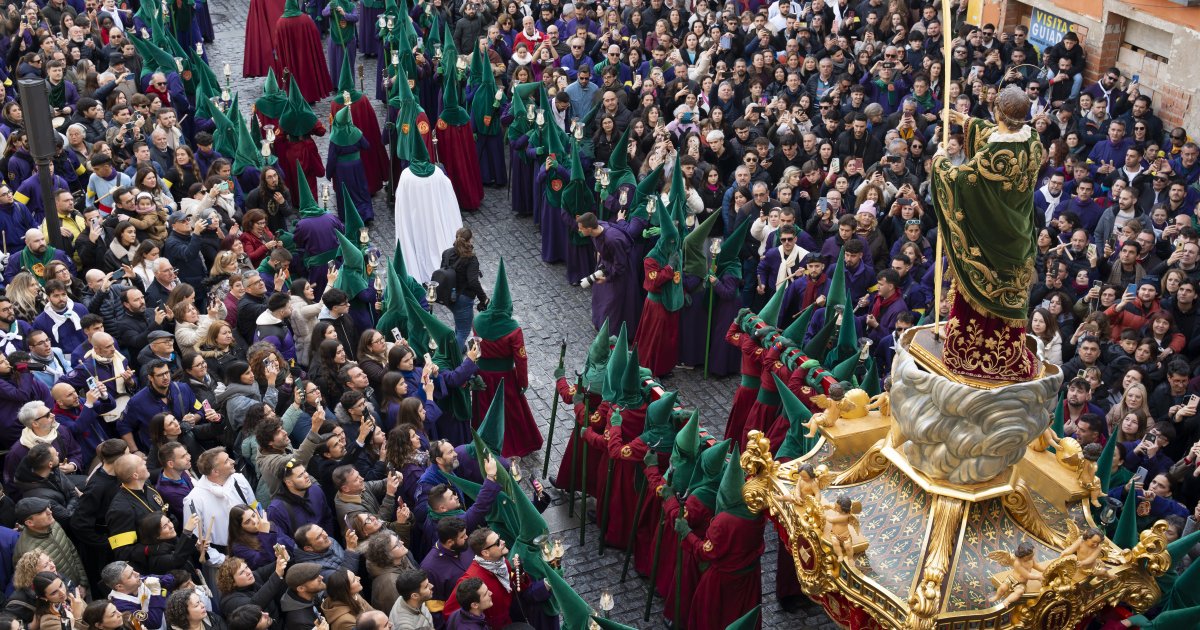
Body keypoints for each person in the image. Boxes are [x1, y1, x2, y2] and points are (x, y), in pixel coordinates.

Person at [931, 88, 1042, 383]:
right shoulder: (1034, 142)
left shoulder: (991, 158)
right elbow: (1000, 134)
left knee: (976, 299)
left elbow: (957, 180)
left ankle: (966, 356)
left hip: (989, 243)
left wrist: (940, 161)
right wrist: (967, 121)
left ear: (996, 111)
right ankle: (1008, 355)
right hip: (1017, 239)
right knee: (1007, 307)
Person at [576, 212, 640, 335]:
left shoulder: (612, 240)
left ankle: (613, 331)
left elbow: (621, 265)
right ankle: (600, 322)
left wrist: (607, 277)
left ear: (589, 229)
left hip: (620, 271)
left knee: (613, 301)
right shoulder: (596, 228)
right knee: (599, 294)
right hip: (606, 264)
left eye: (581, 229)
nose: (579, 231)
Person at [440, 229, 487, 349]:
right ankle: (454, 357)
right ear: (470, 240)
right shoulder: (471, 260)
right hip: (463, 300)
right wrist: (484, 298)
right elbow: (473, 282)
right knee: (463, 332)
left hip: (448, 297)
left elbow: (442, 271)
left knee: (459, 324)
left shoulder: (446, 253)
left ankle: (458, 348)